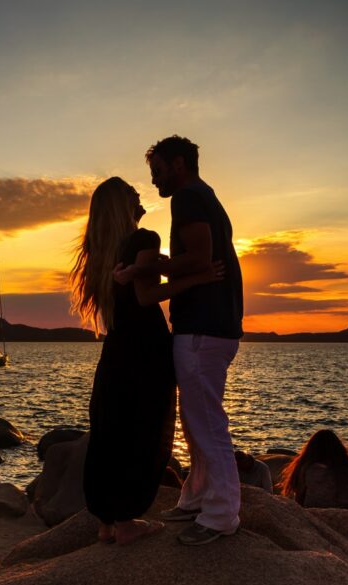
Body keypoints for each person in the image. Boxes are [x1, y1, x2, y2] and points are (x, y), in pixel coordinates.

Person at [71, 176, 223, 546]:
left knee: (113, 429)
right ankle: (126, 522)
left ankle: (108, 521)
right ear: (122, 206)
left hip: (116, 351)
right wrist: (199, 278)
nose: (141, 198)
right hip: (146, 349)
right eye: (133, 195)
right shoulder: (143, 239)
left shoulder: (97, 250)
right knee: (145, 429)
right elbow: (147, 296)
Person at [115, 136, 245, 546]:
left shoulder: (188, 197)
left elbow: (202, 258)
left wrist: (149, 266)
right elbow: (206, 257)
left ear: (177, 164)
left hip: (203, 329)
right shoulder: (204, 196)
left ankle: (222, 515)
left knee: (206, 424)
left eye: (156, 173)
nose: (153, 182)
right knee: (194, 422)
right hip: (211, 326)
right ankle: (197, 495)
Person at [280, 430, 348, 509]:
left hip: (312, 514)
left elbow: (299, 501)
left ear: (311, 449)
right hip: (343, 516)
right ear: (338, 449)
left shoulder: (306, 468)